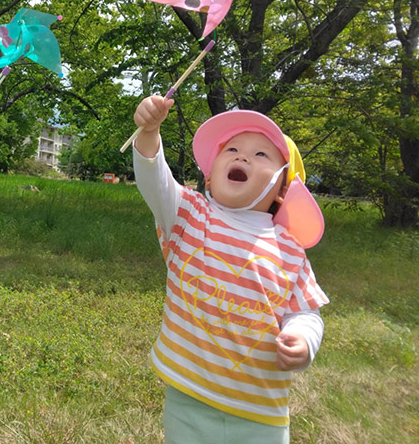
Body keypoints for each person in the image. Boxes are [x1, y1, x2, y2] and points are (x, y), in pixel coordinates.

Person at [132, 95, 329, 444]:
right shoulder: (190, 215)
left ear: (283, 189)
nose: (242, 156)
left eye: (260, 154)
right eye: (231, 149)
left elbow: (305, 313)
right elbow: (154, 179)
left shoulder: (290, 250)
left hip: (260, 410)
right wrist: (150, 132)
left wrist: (304, 340)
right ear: (209, 178)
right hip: (188, 396)